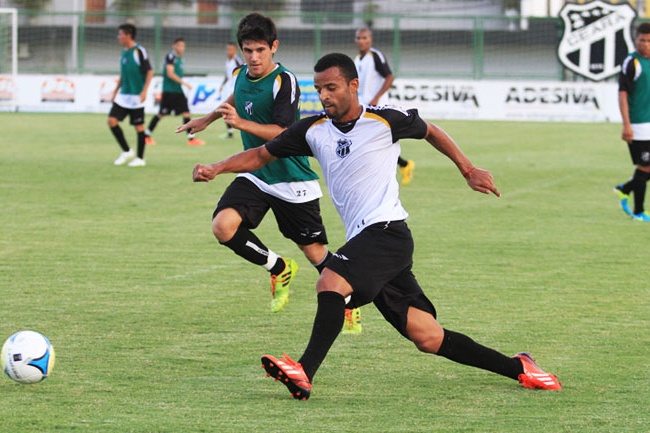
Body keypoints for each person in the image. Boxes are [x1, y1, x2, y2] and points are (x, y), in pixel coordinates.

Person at [191, 53, 562, 400]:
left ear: (353, 86)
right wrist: (216, 168)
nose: (323, 95)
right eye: (318, 89)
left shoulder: (384, 120)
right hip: (370, 242)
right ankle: (520, 367)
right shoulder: (313, 130)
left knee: (329, 281)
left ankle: (303, 371)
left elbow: (431, 131)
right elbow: (260, 155)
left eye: (331, 87)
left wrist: (468, 169)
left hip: (386, 231)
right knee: (427, 337)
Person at [177, 13, 331, 313]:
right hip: (256, 173)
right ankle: (279, 268)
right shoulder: (240, 74)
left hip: (291, 177)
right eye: (248, 50)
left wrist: (241, 124)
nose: (254, 57)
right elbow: (236, 97)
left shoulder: (284, 80)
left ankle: (349, 300)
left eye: (260, 50)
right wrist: (207, 119)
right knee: (223, 227)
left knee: (314, 253)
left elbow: (284, 133)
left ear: (274, 47)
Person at [355, 27, 415, 186]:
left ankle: (398, 166)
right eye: (359, 38)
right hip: (364, 107)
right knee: (373, 140)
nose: (361, 41)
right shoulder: (357, 59)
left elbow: (389, 76)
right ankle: (403, 164)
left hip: (378, 107)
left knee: (374, 140)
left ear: (370, 40)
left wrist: (376, 97)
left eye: (364, 38)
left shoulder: (375, 56)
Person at [614, 22, 650, 222]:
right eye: (642, 40)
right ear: (636, 40)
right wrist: (626, 124)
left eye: (649, 41)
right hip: (638, 124)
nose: (645, 44)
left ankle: (625, 189)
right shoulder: (632, 62)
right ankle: (638, 212)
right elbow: (622, 94)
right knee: (645, 167)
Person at [145, 38, 205, 147]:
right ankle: (146, 135)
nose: (181, 48)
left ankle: (191, 138)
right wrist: (184, 83)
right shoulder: (171, 57)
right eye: (179, 45)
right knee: (161, 114)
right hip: (169, 91)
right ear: (174, 46)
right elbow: (170, 74)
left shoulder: (180, 59)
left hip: (177, 91)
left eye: (183, 46)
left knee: (186, 113)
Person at [109, 23, 153, 167]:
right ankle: (127, 151)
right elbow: (123, 75)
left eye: (120, 34)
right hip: (123, 96)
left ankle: (140, 158)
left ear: (128, 35)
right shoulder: (124, 53)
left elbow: (150, 71)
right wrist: (115, 92)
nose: (118, 37)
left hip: (136, 96)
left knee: (139, 127)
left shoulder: (139, 51)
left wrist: (144, 91)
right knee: (112, 121)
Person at [218, 42, 244, 139]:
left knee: (238, 110)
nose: (229, 51)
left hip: (236, 89)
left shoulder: (238, 61)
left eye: (231, 49)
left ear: (235, 50)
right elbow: (227, 74)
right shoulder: (228, 61)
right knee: (226, 109)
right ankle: (230, 132)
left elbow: (244, 73)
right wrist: (222, 85)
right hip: (228, 89)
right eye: (228, 49)